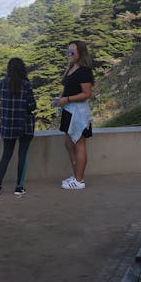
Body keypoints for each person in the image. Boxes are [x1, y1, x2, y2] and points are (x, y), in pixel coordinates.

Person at [0, 57, 37, 196]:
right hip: (24, 125)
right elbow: (32, 105)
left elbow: (4, 104)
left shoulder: (3, 83)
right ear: (23, 69)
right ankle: (19, 187)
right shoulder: (26, 84)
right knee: (22, 155)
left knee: (6, 155)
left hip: (7, 125)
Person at [55, 40, 94, 190]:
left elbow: (87, 93)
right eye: (68, 52)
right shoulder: (71, 68)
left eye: (72, 52)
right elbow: (67, 89)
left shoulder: (84, 71)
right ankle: (76, 175)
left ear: (80, 53)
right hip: (68, 110)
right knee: (69, 143)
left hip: (78, 112)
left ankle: (79, 180)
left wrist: (67, 99)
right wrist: (60, 99)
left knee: (79, 144)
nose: (69, 54)